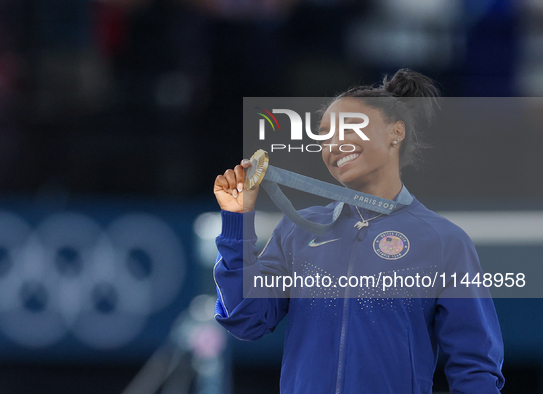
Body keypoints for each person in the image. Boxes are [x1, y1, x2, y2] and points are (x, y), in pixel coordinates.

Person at [212, 69, 505, 393]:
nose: (334, 144)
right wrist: (237, 223)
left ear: (396, 132)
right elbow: (245, 319)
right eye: (325, 136)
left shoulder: (443, 242)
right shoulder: (297, 230)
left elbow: (475, 369)